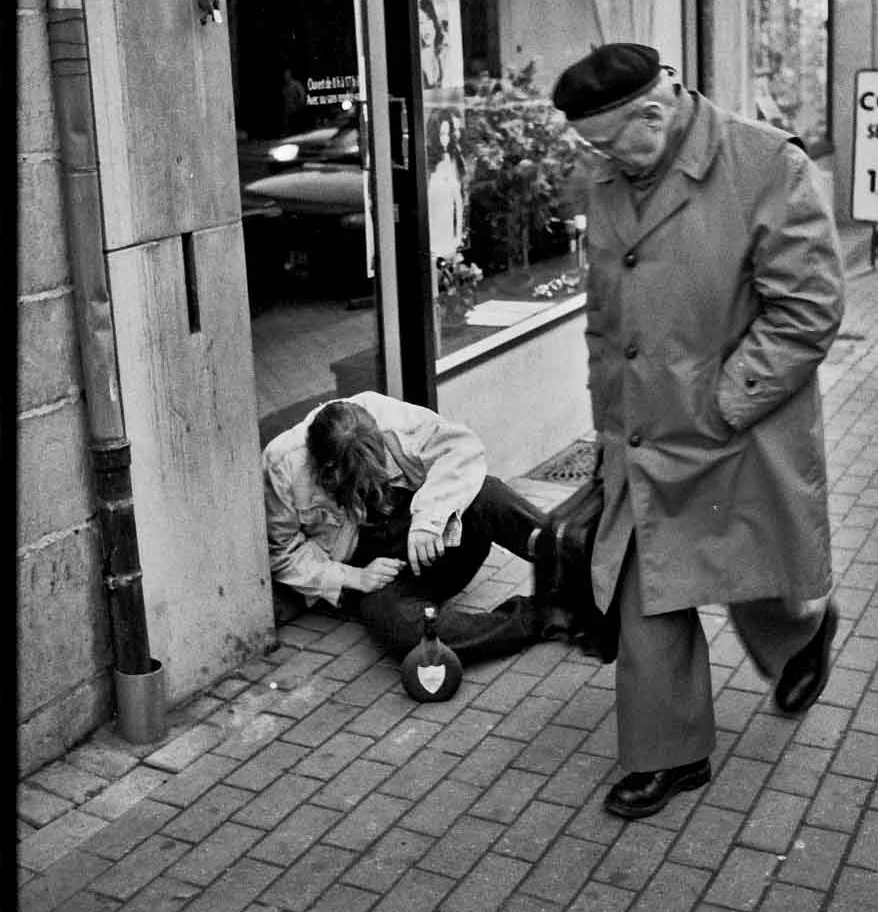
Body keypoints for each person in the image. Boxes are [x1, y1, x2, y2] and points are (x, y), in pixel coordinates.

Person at [549, 42, 845, 820]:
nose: (601, 162)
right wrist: (606, 421)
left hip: (732, 422)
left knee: (738, 562)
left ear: (657, 110)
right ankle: (670, 752)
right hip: (644, 429)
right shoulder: (616, 174)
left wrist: (726, 399)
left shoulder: (763, 164)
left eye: (610, 142)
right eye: (592, 148)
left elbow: (810, 308)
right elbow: (606, 314)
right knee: (651, 579)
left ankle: (797, 635)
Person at [262, 390, 567, 664]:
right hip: (377, 572)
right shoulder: (281, 464)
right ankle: (547, 616)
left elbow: (463, 449)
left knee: (488, 494)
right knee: (406, 632)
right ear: (325, 470)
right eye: (355, 485)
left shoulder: (385, 416)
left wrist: (429, 520)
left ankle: (585, 568)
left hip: (428, 538)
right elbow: (284, 555)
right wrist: (356, 577)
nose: (367, 490)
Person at [426, 108, 466, 261]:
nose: (445, 140)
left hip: (447, 234)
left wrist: (457, 236)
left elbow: (458, 200)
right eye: (441, 134)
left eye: (447, 134)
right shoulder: (427, 165)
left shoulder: (450, 159)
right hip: (433, 236)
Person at [418, 0, 446, 90]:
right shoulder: (427, 21)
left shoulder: (431, 21)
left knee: (435, 78)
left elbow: (430, 40)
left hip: (432, 55)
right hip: (427, 55)